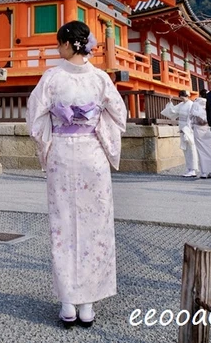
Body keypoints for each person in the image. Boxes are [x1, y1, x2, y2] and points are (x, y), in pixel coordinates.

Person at [26, 20, 127, 329]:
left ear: (69, 44)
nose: (58, 48)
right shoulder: (100, 79)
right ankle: (88, 304)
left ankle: (68, 303)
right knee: (95, 225)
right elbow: (119, 115)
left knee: (63, 226)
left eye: (59, 43)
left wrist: (55, 129)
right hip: (92, 156)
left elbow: (34, 118)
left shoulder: (52, 78)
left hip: (62, 155)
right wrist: (94, 123)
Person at [189, 89, 211, 179]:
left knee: (201, 150)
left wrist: (191, 125)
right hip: (209, 127)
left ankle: (204, 172)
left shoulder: (196, 103)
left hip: (199, 127)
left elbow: (192, 115)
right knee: (210, 150)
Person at [177, 90, 199, 177]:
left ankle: (193, 169)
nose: (182, 98)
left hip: (188, 128)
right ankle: (189, 168)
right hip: (182, 126)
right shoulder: (181, 104)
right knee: (185, 149)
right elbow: (174, 111)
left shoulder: (191, 104)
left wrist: (186, 129)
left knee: (191, 147)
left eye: (183, 96)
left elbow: (191, 118)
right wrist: (170, 103)